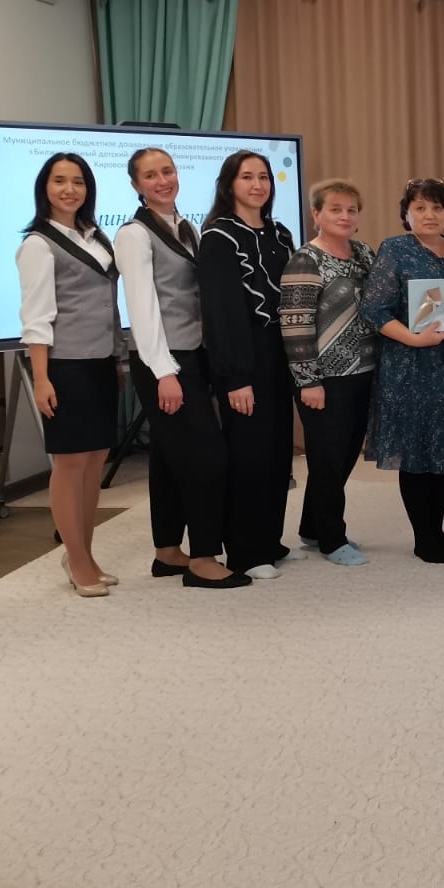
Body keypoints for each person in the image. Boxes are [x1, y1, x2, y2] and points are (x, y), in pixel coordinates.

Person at [115, 147, 247, 590]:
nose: (162, 180)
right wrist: (164, 372)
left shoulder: (187, 226)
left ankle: (168, 551)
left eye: (167, 171)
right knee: (208, 457)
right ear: (136, 185)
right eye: (150, 175)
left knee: (169, 459)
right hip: (164, 360)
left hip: (193, 353)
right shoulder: (134, 235)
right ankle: (204, 558)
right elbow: (142, 308)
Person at [18, 153, 122, 598]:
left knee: (96, 459)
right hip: (65, 365)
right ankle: (75, 558)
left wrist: (117, 359)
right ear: (45, 187)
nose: (69, 189)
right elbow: (37, 318)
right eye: (59, 180)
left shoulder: (96, 236)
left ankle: (85, 553)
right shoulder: (38, 244)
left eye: (78, 181)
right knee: (70, 462)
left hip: (101, 360)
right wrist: (41, 378)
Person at [362, 178, 444, 564]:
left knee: (443, 447)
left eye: (437, 207)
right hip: (408, 365)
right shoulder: (395, 249)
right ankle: (423, 537)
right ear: (407, 214)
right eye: (421, 208)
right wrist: (413, 339)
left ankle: (438, 529)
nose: (430, 215)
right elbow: (373, 310)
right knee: (415, 450)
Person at [199, 150, 298, 580]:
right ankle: (245, 551)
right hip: (244, 357)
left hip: (280, 356)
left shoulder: (280, 233)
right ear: (229, 185)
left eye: (264, 177)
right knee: (249, 455)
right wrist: (236, 377)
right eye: (247, 177)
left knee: (278, 452)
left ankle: (269, 540)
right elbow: (221, 314)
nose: (258, 185)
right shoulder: (218, 237)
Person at [281, 178, 377, 566]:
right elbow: (295, 324)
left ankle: (312, 526)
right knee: (327, 458)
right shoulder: (305, 260)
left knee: (346, 455)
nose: (344, 216)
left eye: (351, 210)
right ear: (316, 214)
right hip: (324, 380)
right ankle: (332, 540)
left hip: (364, 372)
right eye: (335, 209)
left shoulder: (364, 253)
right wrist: (309, 380)